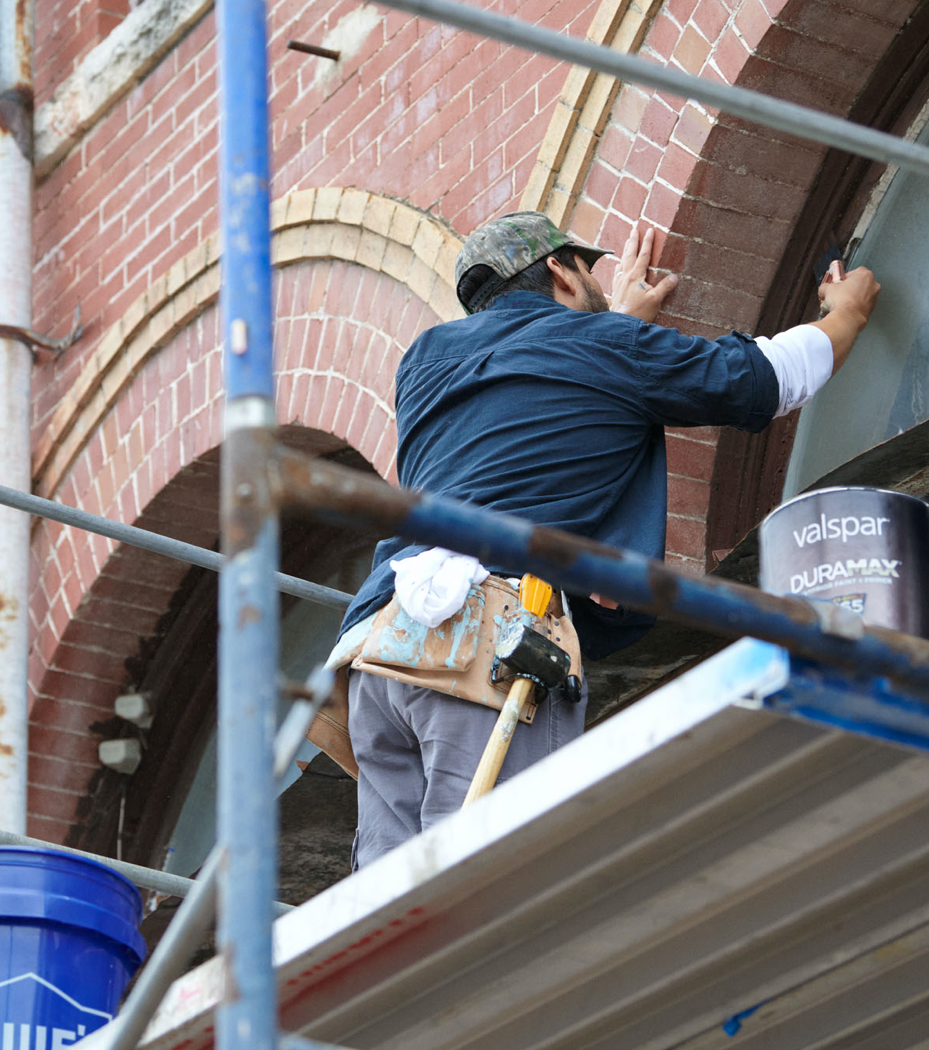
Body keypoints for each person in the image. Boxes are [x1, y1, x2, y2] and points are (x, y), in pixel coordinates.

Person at [327, 211, 879, 870]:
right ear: (561, 270)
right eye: (587, 267)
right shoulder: (603, 345)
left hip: (378, 654)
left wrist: (616, 324)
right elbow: (763, 378)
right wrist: (845, 315)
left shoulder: (426, 364)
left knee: (387, 912)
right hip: (481, 642)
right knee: (493, 885)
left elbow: (540, 396)